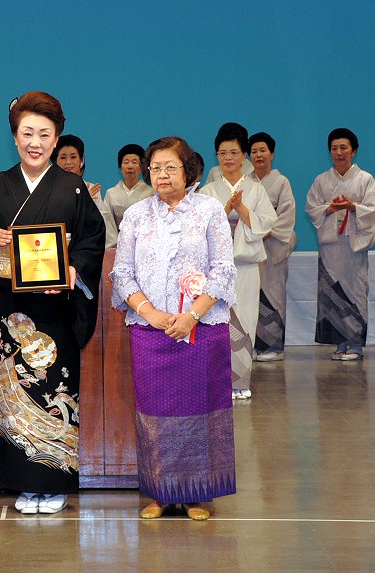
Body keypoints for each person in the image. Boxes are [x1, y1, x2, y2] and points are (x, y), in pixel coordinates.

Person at [0, 91, 105, 515]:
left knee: (54, 386)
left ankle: (54, 479)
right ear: (15, 136)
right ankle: (23, 482)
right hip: (10, 308)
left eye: (45, 134)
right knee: (14, 388)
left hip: (56, 306)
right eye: (27, 133)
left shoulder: (73, 188)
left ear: (57, 138)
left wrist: (76, 267)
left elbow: (92, 239)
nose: (35, 142)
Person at [110, 136, 237, 521]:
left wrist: (190, 316)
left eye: (170, 167)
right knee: (155, 411)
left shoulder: (210, 210)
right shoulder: (136, 215)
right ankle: (161, 493)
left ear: (189, 171)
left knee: (201, 409)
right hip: (151, 331)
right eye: (155, 168)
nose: (161, 174)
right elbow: (122, 272)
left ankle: (199, 494)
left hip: (200, 329)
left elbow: (223, 269)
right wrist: (149, 312)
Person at [201, 123, 276, 400]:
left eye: (234, 152)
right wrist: (224, 210)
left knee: (244, 319)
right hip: (216, 270)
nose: (228, 158)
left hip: (244, 267)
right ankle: (219, 381)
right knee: (216, 320)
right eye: (222, 153)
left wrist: (241, 209)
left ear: (243, 155)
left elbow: (266, 225)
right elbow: (201, 228)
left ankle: (242, 380)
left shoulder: (255, 190)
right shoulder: (208, 191)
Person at [305, 128, 375, 360]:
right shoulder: (321, 180)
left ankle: (355, 342)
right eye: (334, 148)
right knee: (331, 291)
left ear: (353, 151)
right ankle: (340, 342)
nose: (338, 152)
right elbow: (312, 208)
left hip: (352, 246)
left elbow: (372, 210)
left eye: (344, 148)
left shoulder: (365, 179)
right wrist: (329, 208)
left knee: (354, 291)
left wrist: (353, 207)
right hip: (331, 247)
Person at [248, 133, 297, 362]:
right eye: (254, 151)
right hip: (250, 248)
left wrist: (265, 230)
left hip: (273, 247)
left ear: (272, 154)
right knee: (252, 296)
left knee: (273, 295)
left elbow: (287, 214)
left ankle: (275, 346)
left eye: (263, 150)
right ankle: (255, 345)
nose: (259, 155)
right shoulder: (246, 182)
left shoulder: (281, 182)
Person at [102, 144, 154, 248]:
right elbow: (107, 221)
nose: (130, 166)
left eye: (134, 162)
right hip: (117, 245)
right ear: (120, 167)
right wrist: (115, 243)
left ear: (142, 167)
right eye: (126, 162)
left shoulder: (150, 193)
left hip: (142, 244)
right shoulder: (111, 193)